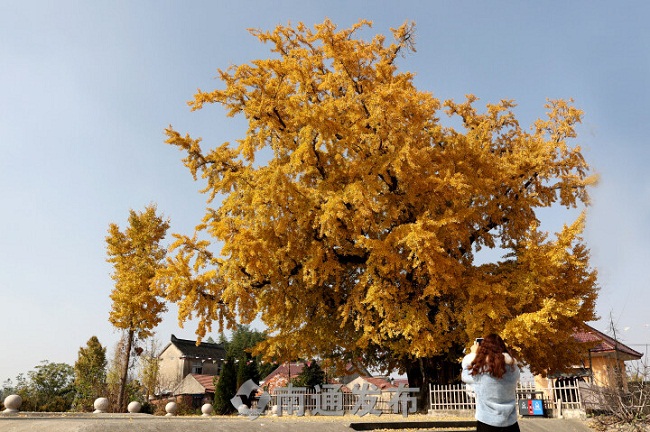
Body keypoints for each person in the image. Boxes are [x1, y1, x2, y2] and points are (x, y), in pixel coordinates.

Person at [461, 334, 520, 432]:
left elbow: (465, 375)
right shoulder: (514, 370)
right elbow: (508, 364)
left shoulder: (481, 372)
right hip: (510, 422)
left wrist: (473, 354)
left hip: (487, 421)